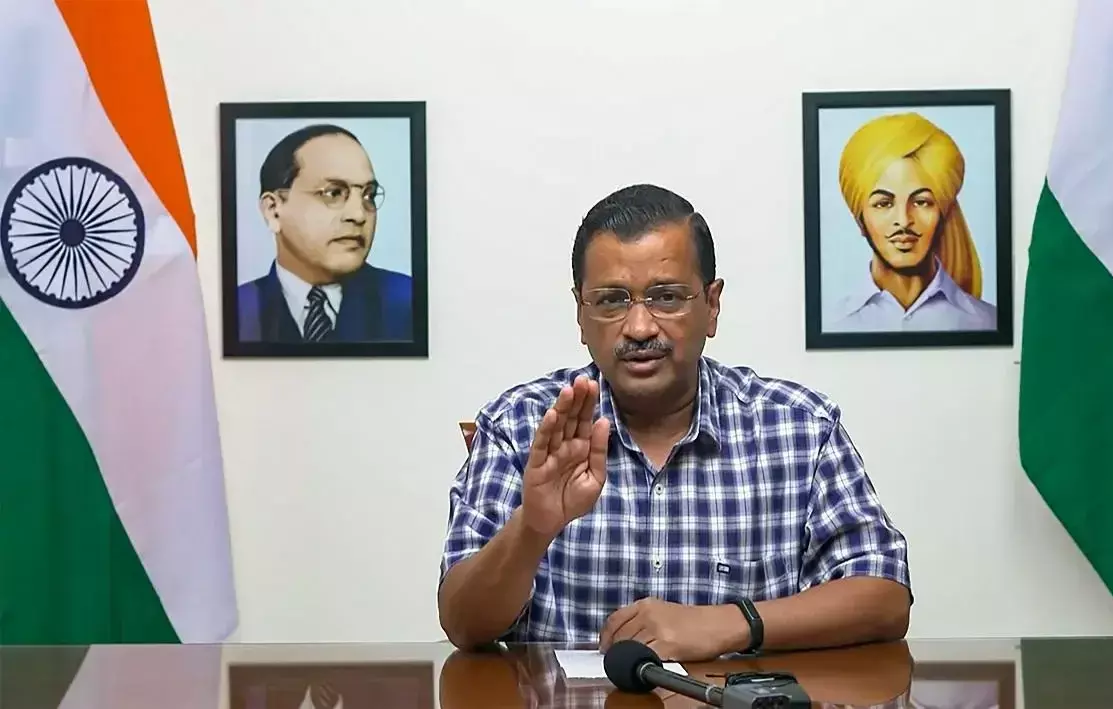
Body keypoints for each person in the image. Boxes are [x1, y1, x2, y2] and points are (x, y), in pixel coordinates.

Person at [438, 184, 911, 661]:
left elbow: (885, 597)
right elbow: (462, 623)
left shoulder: (799, 429)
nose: (640, 328)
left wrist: (732, 622)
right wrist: (532, 529)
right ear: (581, 314)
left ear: (712, 305)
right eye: (610, 301)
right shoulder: (519, 426)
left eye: (666, 298)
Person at [237, 124, 412, 343]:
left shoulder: (408, 304)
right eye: (333, 193)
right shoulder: (237, 310)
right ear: (273, 210)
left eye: (369, 195)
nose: (358, 215)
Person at [828, 112, 997, 333]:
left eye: (921, 202)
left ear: (943, 212)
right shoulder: (832, 324)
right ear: (860, 219)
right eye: (883, 204)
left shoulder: (988, 321)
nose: (904, 220)